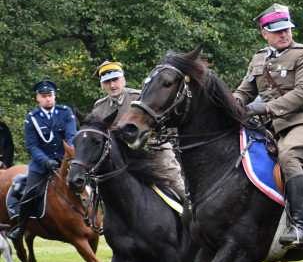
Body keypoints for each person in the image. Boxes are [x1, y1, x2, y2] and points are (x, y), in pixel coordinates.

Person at [234, 3, 303, 250]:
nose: (284, 34)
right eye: (277, 31)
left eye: (287, 29)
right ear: (264, 33)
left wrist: (267, 108)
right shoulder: (259, 58)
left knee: (288, 158)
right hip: (271, 127)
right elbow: (245, 91)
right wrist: (231, 104)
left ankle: (299, 227)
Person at [93, 61, 187, 202]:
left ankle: (195, 217)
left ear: (123, 80)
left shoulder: (139, 98)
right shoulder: (99, 108)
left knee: (177, 185)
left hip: (153, 152)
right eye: (107, 82)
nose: (112, 85)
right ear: (102, 85)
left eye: (115, 80)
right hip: (122, 161)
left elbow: (165, 126)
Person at [8, 80, 78, 240]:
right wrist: (45, 161)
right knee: (30, 194)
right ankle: (21, 227)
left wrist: (68, 157)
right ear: (37, 98)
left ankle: (95, 220)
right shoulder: (31, 118)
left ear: (54, 96)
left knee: (87, 186)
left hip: (66, 162)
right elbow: (32, 146)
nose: (48, 99)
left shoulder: (66, 112)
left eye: (50, 95)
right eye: (44, 96)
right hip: (41, 166)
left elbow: (71, 136)